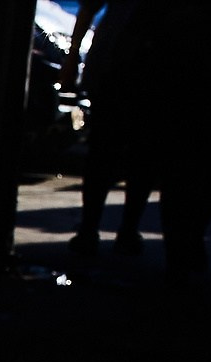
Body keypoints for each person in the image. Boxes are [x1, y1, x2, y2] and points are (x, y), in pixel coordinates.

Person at [62, 0, 159, 258]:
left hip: (118, 68)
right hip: (137, 71)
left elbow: (88, 10)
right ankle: (123, 231)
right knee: (135, 157)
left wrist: (73, 59)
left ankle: (93, 229)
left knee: (106, 153)